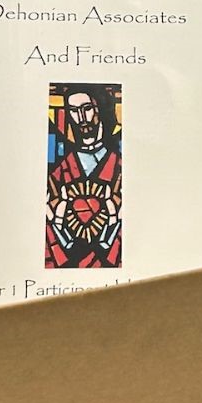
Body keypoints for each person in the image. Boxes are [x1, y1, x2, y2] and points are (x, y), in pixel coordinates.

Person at [45, 85, 123, 268]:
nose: (81, 118)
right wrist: (56, 224)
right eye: (73, 111)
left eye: (87, 109)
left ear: (101, 109)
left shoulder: (119, 166)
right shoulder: (58, 173)